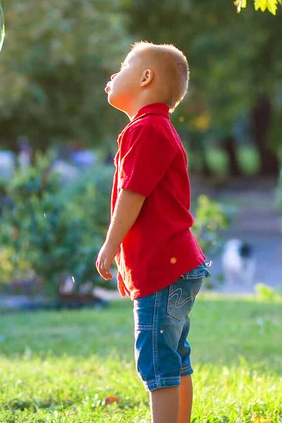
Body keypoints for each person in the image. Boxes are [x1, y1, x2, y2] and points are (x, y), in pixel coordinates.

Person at [96, 41, 211, 423]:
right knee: (175, 357)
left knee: (157, 363)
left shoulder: (145, 130)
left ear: (146, 78)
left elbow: (133, 195)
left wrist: (110, 246)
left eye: (124, 64)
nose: (114, 73)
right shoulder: (156, 128)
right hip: (179, 265)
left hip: (166, 266)